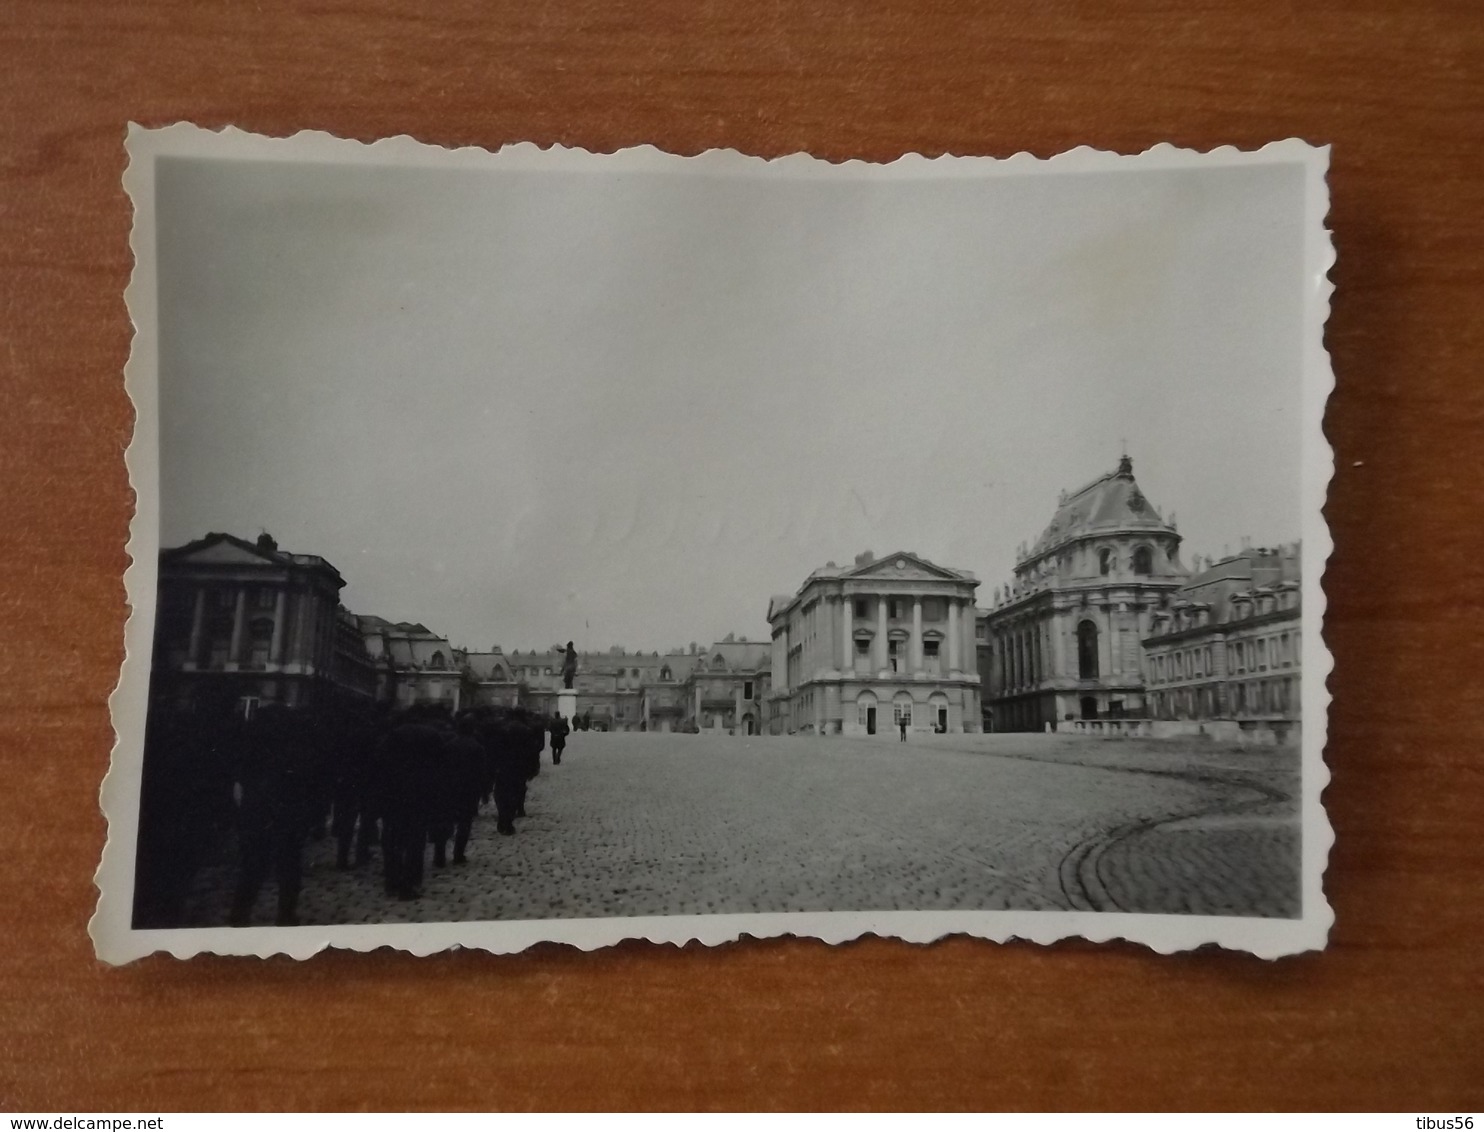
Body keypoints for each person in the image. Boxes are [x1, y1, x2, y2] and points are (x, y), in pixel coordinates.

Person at [228, 704, 312, 927]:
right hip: (288, 813)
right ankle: (286, 914)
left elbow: (240, 781)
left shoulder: (251, 746)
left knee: (252, 867)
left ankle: (240, 913)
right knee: (289, 868)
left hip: (257, 811)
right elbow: (305, 783)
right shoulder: (296, 748)